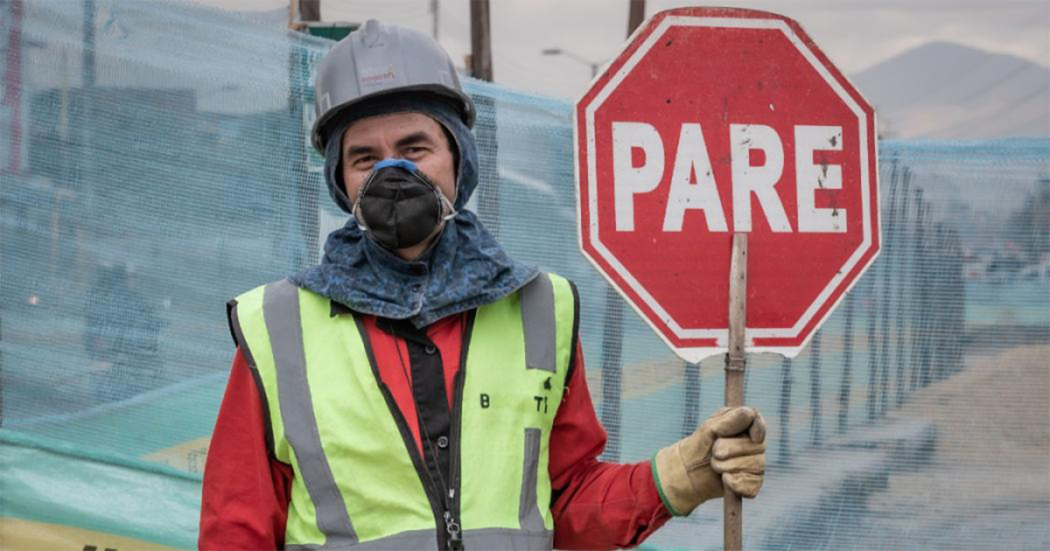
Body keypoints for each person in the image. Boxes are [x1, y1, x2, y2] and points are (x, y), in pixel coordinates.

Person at [199, 20, 766, 551]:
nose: (391, 175)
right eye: (363, 157)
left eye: (414, 148)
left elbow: (564, 502)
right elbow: (234, 529)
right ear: (341, 183)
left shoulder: (542, 308)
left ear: (458, 158)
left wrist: (676, 478)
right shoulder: (277, 327)